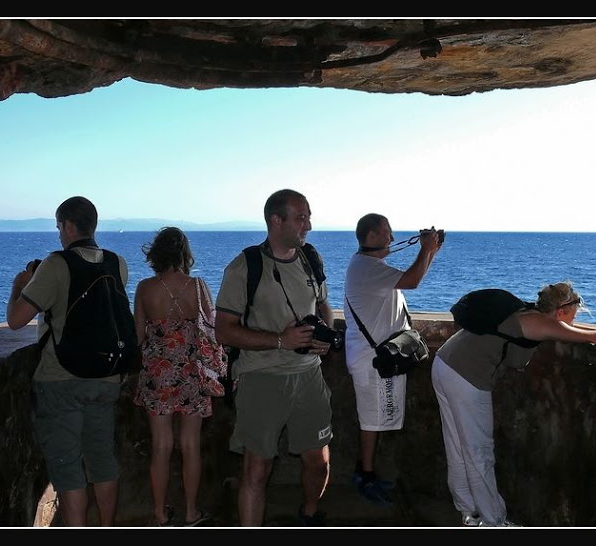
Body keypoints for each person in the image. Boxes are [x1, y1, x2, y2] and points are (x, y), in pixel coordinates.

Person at [431, 281, 596, 527]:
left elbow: (570, 330)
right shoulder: (540, 323)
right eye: (575, 312)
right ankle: (493, 521)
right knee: (479, 452)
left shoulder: (531, 313)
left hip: (445, 364)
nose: (574, 318)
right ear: (562, 310)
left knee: (458, 446)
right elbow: (592, 337)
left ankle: (468, 511)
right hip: (465, 376)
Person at [215, 188, 335, 526]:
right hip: (261, 377)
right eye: (301, 218)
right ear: (276, 220)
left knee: (319, 461)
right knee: (256, 469)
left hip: (309, 376)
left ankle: (309, 515)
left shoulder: (312, 258)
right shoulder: (244, 267)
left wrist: (325, 334)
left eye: (308, 216)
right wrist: (281, 341)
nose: (308, 225)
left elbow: (323, 303)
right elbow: (223, 330)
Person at [5, 196, 127, 526]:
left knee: (69, 466)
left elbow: (17, 319)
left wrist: (20, 286)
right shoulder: (117, 263)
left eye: (59, 227)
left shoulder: (56, 264)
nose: (59, 233)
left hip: (60, 379)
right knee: (102, 461)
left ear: (69, 225)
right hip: (105, 377)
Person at [343, 214, 443, 506]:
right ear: (372, 236)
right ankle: (365, 476)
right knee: (371, 422)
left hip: (376, 357)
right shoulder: (367, 267)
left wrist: (430, 252)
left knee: (374, 420)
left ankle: (366, 472)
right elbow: (411, 281)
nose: (392, 237)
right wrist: (425, 249)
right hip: (371, 360)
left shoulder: (368, 265)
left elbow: (411, 278)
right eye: (386, 232)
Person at [133, 227, 222, 527]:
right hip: (192, 375)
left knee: (160, 446)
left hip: (158, 373)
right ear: (185, 254)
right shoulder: (198, 286)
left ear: (156, 253)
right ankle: (191, 512)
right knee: (190, 445)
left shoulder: (145, 288)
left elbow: (137, 338)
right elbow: (214, 332)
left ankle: (159, 514)